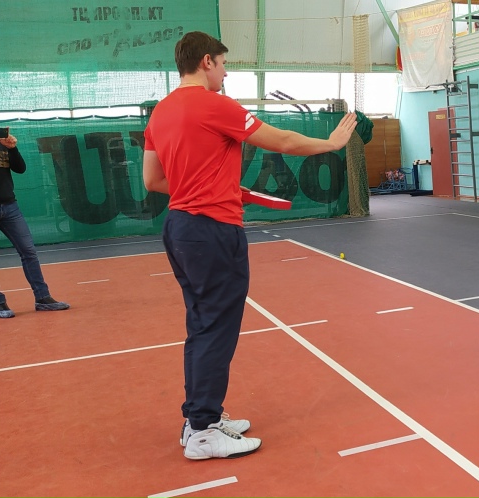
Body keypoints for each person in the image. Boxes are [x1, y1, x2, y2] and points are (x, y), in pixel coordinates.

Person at [142, 31, 357, 460]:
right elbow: (284, 141)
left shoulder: (160, 112)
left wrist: (219, 188)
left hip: (180, 228)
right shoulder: (215, 104)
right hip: (212, 231)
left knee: (202, 324)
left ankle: (199, 418)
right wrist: (332, 143)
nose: (225, 73)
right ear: (207, 61)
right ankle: (203, 432)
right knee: (215, 328)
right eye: (223, 64)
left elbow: (153, 181)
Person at [0, 102, 70, 319]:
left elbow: (20, 168)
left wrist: (12, 148)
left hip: (9, 206)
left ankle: (43, 298)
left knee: (29, 251)